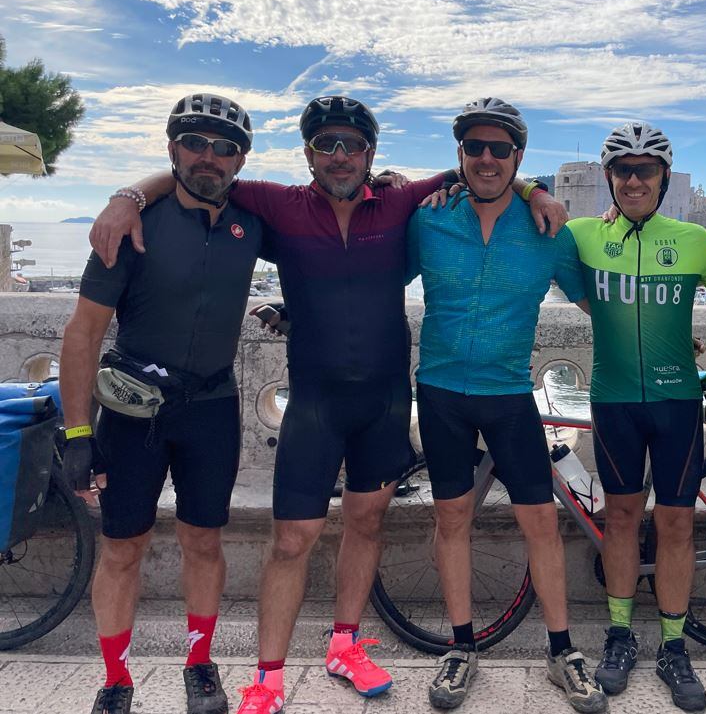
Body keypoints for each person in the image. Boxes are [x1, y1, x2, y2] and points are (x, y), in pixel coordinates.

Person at [87, 95, 568, 714]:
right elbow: (203, 175)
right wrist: (126, 196)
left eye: (351, 144)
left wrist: (536, 194)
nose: (339, 156)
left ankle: (344, 644)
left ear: (371, 153)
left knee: (366, 522)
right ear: (308, 153)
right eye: (325, 144)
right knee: (294, 538)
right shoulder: (278, 205)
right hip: (314, 400)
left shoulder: (399, 202)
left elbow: (475, 169)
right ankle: (266, 677)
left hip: (385, 398)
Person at [60, 93, 263, 714]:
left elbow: (325, 222)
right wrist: (76, 435)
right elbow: (83, 334)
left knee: (205, 543)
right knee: (124, 546)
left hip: (211, 406)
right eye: (196, 142)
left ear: (240, 160)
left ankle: (200, 666)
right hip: (130, 410)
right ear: (172, 147)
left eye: (225, 147)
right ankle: (116, 678)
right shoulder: (132, 227)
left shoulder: (251, 221)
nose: (210, 157)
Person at [408, 98, 606, 714]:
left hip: (508, 394)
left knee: (540, 524)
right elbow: (363, 276)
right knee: (451, 519)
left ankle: (562, 651)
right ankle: (462, 647)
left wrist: (662, 352)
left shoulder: (548, 228)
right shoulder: (429, 219)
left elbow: (593, 303)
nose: (487, 158)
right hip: (439, 392)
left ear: (518, 157)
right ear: (459, 156)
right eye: (475, 148)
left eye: (500, 149)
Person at [564, 123, 706, 711]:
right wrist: (532, 192)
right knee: (622, 516)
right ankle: (620, 637)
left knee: (676, 524)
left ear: (661, 177)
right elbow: (528, 232)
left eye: (646, 170)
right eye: (623, 170)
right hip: (613, 399)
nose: (634, 179)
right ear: (608, 177)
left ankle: (674, 646)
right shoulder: (581, 234)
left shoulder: (697, 240)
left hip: (677, 402)